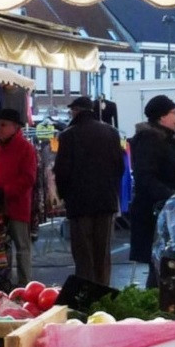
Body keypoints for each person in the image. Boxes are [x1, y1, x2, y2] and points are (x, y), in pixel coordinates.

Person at [53, 93, 125, 286]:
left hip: (79, 203)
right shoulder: (111, 132)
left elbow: (62, 171)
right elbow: (120, 167)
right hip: (106, 201)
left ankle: (87, 297)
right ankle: (103, 295)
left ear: (75, 112)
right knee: (102, 253)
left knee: (84, 255)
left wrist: (65, 196)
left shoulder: (68, 135)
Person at [128, 94, 175, 286]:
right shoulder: (150, 141)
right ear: (161, 117)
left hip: (170, 213)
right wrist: (173, 197)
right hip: (155, 214)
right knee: (159, 266)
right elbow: (146, 178)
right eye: (173, 113)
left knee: (168, 266)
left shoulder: (169, 141)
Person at [0, 107, 38, 285]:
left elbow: (28, 178)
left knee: (22, 247)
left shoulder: (25, 148)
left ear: (15, 127)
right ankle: (5, 283)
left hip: (17, 205)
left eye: (3, 125)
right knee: (1, 249)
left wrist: (5, 190)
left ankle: (25, 284)